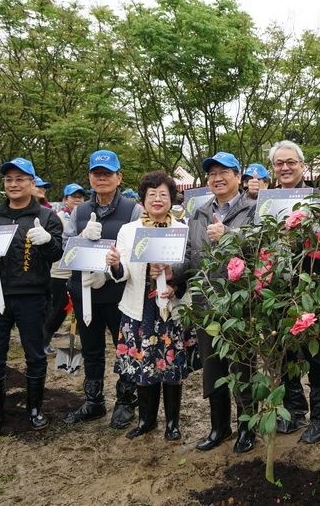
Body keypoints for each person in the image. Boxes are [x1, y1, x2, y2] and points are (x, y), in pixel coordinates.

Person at [0, 158, 63, 438]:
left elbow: (58, 254)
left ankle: (35, 409)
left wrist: (48, 241)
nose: (13, 185)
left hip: (32, 296)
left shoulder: (47, 217)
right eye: (9, 180)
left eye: (20, 179)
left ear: (32, 183)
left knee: (35, 354)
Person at [107, 170, 196, 440]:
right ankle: (146, 420)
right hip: (139, 307)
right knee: (143, 365)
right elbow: (121, 275)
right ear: (142, 199)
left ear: (172, 199)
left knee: (171, 367)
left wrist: (175, 285)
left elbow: (190, 268)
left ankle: (172, 422)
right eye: (151, 194)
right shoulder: (129, 231)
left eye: (163, 194)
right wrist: (115, 264)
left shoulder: (181, 228)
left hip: (170, 305)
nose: (157, 199)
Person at [62, 150, 142, 429]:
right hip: (85, 291)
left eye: (108, 173)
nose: (102, 178)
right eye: (97, 173)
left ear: (119, 177)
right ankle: (94, 400)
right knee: (91, 347)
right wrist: (80, 239)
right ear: (89, 178)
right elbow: (65, 249)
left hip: (118, 293)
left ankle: (125, 400)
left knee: (124, 346)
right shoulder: (79, 211)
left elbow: (135, 251)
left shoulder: (132, 209)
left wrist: (108, 273)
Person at [184, 151, 257, 453]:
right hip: (206, 303)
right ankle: (219, 427)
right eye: (212, 173)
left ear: (238, 177)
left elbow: (261, 247)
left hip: (240, 305)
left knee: (242, 367)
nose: (217, 177)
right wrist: (169, 272)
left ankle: (247, 429)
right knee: (213, 369)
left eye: (224, 171)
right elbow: (189, 254)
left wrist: (230, 235)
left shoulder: (253, 209)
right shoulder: (198, 213)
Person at [267, 141, 320, 444]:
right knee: (284, 352)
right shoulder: (266, 202)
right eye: (279, 163)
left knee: (314, 354)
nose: (285, 167)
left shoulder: (318, 200)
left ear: (303, 165)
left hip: (311, 288)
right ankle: (295, 411)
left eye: (290, 162)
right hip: (277, 290)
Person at [42, 183, 87, 354]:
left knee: (82, 308)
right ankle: (44, 339)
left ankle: (82, 343)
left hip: (79, 270)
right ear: (65, 200)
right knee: (60, 307)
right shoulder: (58, 217)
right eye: (73, 197)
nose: (77, 200)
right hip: (60, 270)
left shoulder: (84, 217)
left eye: (80, 197)